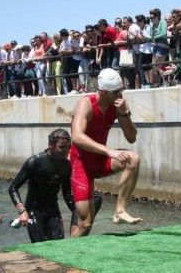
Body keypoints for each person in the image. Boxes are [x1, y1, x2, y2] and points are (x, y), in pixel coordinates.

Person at [70, 68, 142, 237]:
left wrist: (125, 113)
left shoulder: (117, 105)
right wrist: (110, 151)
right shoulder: (86, 103)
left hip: (100, 160)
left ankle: (120, 210)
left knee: (133, 159)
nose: (120, 95)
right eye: (115, 92)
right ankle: (70, 252)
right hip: (81, 165)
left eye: (121, 90)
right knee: (86, 223)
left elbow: (131, 138)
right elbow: (76, 137)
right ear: (102, 91)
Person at [8, 128, 103, 243]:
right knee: (40, 246)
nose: (66, 151)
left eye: (68, 147)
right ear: (51, 145)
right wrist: (22, 211)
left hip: (53, 211)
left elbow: (67, 194)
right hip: (34, 211)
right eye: (62, 147)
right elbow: (13, 188)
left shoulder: (67, 165)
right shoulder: (34, 162)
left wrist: (79, 211)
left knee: (58, 245)